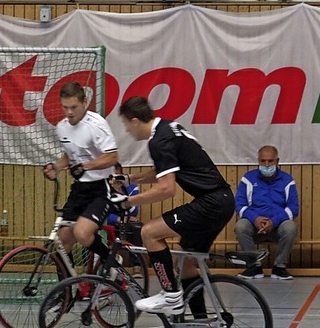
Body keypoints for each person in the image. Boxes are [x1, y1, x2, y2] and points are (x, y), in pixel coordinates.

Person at [113, 96, 235, 315]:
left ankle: (171, 296)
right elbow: (163, 170)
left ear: (134, 121)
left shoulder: (158, 141)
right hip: (222, 201)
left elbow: (167, 188)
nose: (127, 132)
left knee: (149, 233)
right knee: (187, 263)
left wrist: (128, 201)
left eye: (125, 125)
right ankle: (201, 325)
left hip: (211, 203)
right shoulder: (169, 128)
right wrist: (130, 179)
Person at [41, 81, 119, 267]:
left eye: (74, 107)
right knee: (62, 240)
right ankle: (67, 293)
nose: (69, 112)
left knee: (82, 234)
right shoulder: (62, 127)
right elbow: (70, 154)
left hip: (101, 187)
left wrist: (87, 166)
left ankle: (113, 262)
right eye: (65, 107)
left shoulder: (97, 124)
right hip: (80, 188)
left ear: (85, 102)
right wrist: (57, 167)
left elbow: (112, 157)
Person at [234, 145, 299, 281]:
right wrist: (255, 219)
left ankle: (279, 267)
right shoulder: (248, 179)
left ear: (277, 161)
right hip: (254, 228)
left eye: (270, 161)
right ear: (258, 161)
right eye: (263, 161)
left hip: (278, 228)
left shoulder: (287, 180)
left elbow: (294, 208)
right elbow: (239, 205)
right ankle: (254, 267)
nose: (267, 164)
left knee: (290, 227)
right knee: (240, 226)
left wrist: (274, 221)